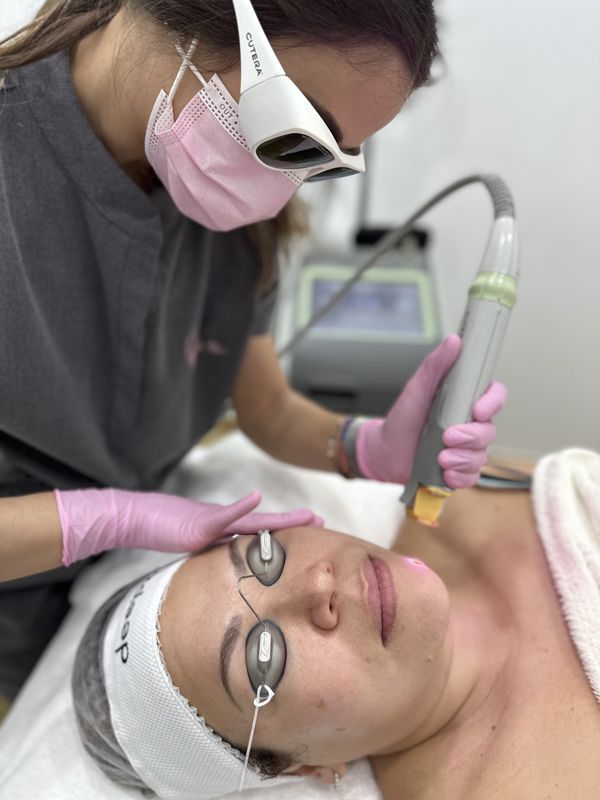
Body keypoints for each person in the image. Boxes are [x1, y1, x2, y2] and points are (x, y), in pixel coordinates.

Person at [0, 0, 506, 704]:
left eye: (329, 163)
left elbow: (265, 404)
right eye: (296, 136)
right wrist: (108, 516)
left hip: (123, 586)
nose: (286, 190)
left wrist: (363, 445)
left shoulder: (224, 221)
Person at [70, 448, 600, 799]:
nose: (317, 586)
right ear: (304, 769)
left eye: (264, 559)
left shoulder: (453, 494)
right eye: (265, 659)